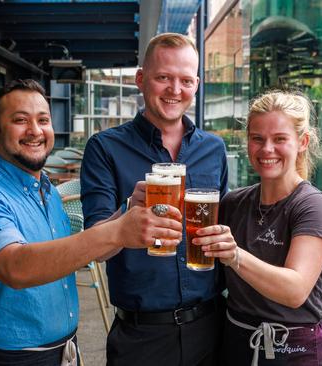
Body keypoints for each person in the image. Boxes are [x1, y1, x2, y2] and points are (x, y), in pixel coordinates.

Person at [0, 79, 183, 366]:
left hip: (65, 350)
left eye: (43, 120)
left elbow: (81, 253)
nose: (35, 130)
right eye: (20, 120)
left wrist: (125, 212)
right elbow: (15, 266)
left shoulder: (46, 191)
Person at [81, 33, 229, 366]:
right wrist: (127, 213)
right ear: (140, 79)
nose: (175, 90)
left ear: (197, 84)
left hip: (212, 328)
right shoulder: (105, 148)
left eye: (186, 80)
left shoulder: (214, 149)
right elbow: (94, 245)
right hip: (141, 338)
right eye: (163, 77)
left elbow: (223, 225)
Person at [200, 90, 322, 365]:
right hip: (237, 343)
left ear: (302, 142)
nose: (267, 149)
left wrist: (235, 256)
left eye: (280, 139)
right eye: (257, 139)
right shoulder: (233, 203)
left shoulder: (313, 206)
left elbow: (295, 290)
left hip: (296, 351)